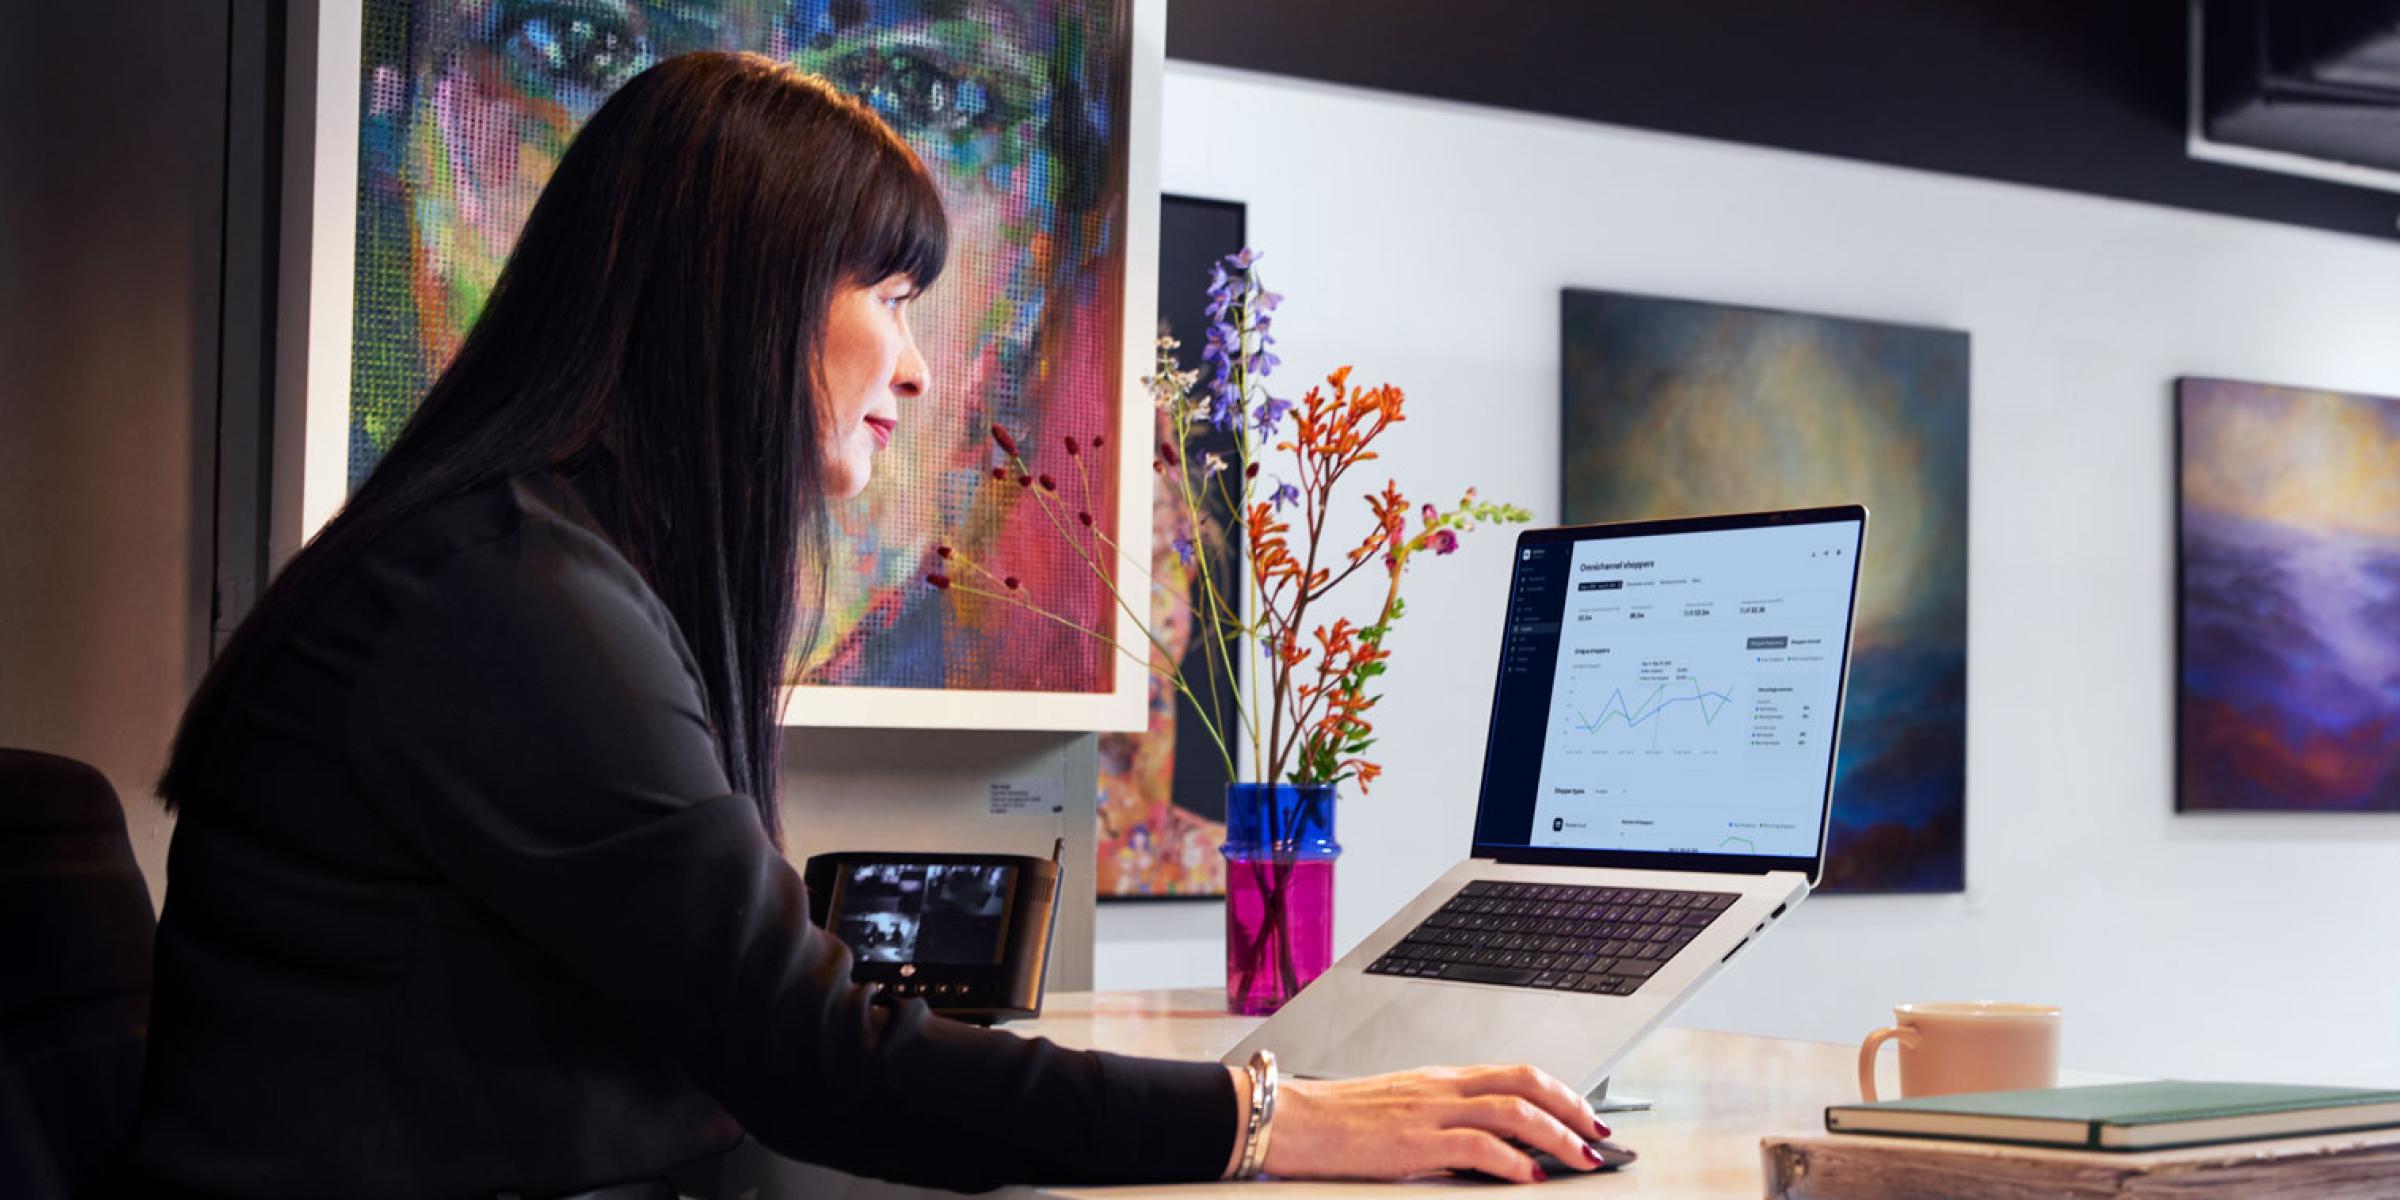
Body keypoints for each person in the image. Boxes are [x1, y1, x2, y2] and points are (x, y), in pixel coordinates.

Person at [133, 52, 1609, 1197]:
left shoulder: (529, 570)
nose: (913, 364)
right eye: (890, 294)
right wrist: (1273, 1118)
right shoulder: (503, 603)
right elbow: (814, 1057)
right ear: (747, 293)